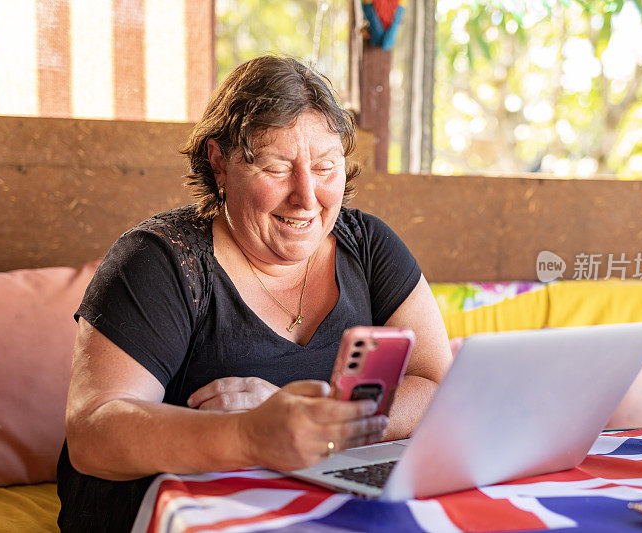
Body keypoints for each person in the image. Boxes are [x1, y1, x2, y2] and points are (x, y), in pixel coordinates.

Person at [57, 55, 452, 531]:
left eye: (326, 167)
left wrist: (327, 427)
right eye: (277, 167)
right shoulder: (160, 260)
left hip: (323, 510)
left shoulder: (367, 246)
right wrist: (248, 435)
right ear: (219, 163)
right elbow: (93, 433)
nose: (307, 196)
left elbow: (435, 383)